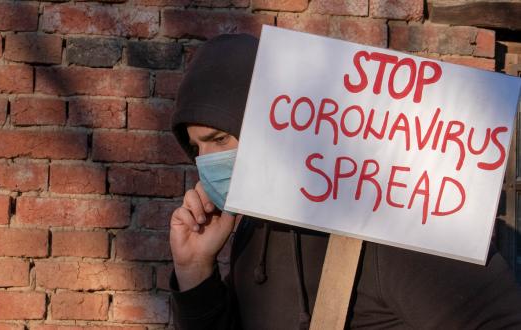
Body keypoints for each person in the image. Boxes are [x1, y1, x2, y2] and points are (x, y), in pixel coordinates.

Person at [168, 33, 521, 330]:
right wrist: (194, 270)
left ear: (265, 120)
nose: (206, 162)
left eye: (219, 140)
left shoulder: (394, 223)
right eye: (196, 148)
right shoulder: (253, 229)